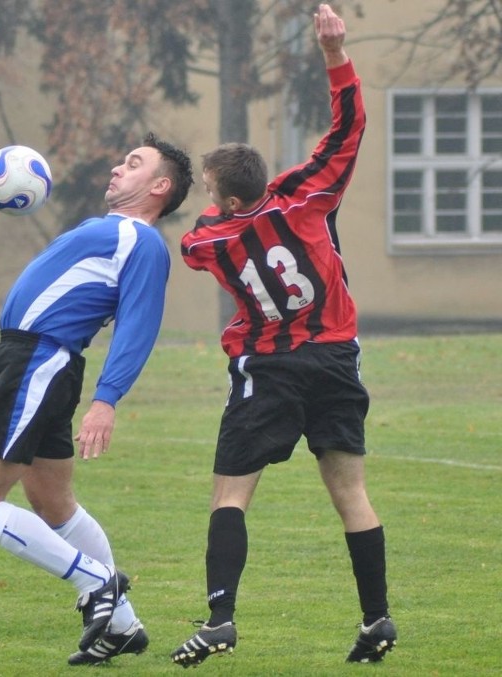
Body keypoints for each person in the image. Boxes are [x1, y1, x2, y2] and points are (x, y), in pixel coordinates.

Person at [170, 4, 396, 668]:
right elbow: (347, 131)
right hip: (334, 359)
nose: (207, 203)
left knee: (230, 493)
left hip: (269, 367)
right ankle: (377, 617)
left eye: (212, 192)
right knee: (350, 491)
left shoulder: (209, 239)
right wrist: (334, 55)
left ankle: (220, 618)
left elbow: (190, 242)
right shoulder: (304, 196)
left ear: (231, 202)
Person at [0, 132, 193, 667]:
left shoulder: (143, 241)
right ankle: (123, 627)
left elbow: (138, 326)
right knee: (54, 504)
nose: (116, 167)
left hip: (37, 363)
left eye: (133, 164)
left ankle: (99, 583)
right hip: (28, 362)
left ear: (159, 186)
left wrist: (107, 400)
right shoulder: (108, 229)